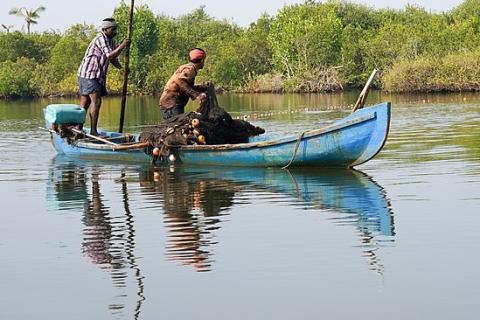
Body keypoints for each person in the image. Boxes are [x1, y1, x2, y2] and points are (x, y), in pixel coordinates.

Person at [77, 18, 130, 136]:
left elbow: (113, 59)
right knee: (96, 102)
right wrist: (123, 45)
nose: (115, 32)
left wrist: (121, 68)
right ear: (105, 29)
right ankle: (93, 131)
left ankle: (78, 128)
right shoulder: (101, 38)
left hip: (95, 75)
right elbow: (110, 55)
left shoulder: (111, 40)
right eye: (113, 29)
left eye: (116, 29)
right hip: (89, 74)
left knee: (85, 103)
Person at [159, 48, 209, 120]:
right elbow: (180, 81)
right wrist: (197, 95)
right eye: (204, 61)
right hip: (172, 103)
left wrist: (201, 87)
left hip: (167, 102)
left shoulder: (187, 67)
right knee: (177, 126)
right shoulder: (190, 69)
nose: (204, 63)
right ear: (201, 60)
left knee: (172, 127)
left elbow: (186, 87)